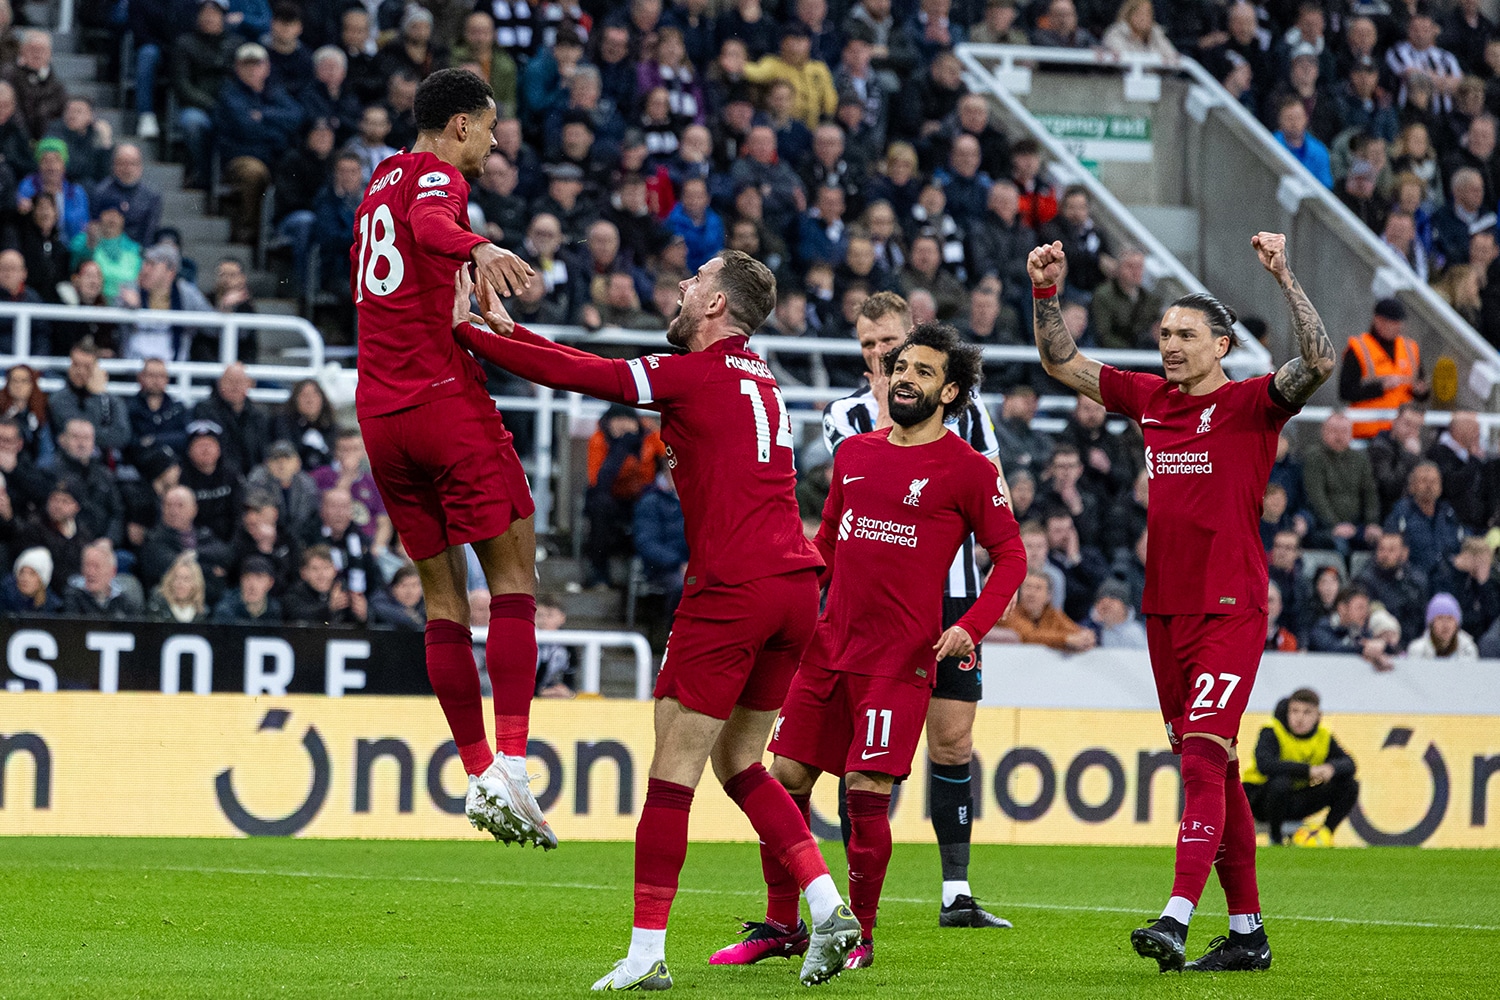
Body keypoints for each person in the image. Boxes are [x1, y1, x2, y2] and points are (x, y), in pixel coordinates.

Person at [451, 249, 859, 989]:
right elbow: (592, 362)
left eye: (695, 280)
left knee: (672, 773)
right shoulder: (756, 374)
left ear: (714, 307)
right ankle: (828, 906)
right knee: (740, 763)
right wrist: (505, 325)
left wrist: (470, 334)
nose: (680, 286)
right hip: (794, 589)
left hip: (731, 588)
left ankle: (646, 954)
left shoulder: (694, 374)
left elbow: (591, 377)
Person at [1031, 230, 1336, 973]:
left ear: (1222, 345)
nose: (1170, 345)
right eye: (1165, 334)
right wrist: (1045, 289)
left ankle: (1175, 914)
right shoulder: (1150, 400)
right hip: (1165, 610)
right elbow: (1061, 361)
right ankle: (1248, 934)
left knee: (1203, 755)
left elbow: (1320, 361)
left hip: (1231, 606)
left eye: (1186, 335)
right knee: (1217, 769)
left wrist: (1285, 276)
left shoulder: (1251, 406)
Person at [714, 323, 1023, 971]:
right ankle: (783, 924)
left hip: (900, 659)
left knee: (865, 788)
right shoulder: (854, 454)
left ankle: (863, 936)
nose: (904, 377)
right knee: (786, 778)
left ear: (951, 391)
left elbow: (1012, 557)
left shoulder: (968, 470)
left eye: (922, 371)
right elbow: (823, 548)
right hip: (827, 649)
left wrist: (972, 624)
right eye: (900, 366)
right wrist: (782, 611)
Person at [350, 69, 549, 848]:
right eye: (491, 129)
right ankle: (514, 764)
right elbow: (433, 229)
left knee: (442, 600)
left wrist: (460, 283)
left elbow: (407, 264)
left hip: (381, 416)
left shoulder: (379, 180)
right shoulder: (435, 178)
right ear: (460, 124)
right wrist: (481, 246)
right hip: (442, 405)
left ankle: (473, 776)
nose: (496, 144)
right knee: (513, 580)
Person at [812, 290, 1013, 930]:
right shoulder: (845, 420)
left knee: (952, 743)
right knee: (856, 760)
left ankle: (956, 890)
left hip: (949, 594)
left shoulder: (968, 419)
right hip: (866, 606)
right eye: (870, 348)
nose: (881, 358)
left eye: (891, 347)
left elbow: (991, 487)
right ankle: (851, 898)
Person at [1241, 689, 1359, 846]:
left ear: (1318, 715)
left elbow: (1349, 764)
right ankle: (1276, 839)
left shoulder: (1323, 736)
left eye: (1307, 712)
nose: (1299, 718)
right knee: (1281, 782)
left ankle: (1324, 834)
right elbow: (1265, 764)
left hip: (1294, 800)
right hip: (1260, 801)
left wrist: (1331, 768)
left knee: (1349, 785)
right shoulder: (1272, 730)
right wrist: (1308, 771)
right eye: (1294, 711)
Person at [1339, 298, 1429, 438]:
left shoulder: (1410, 348)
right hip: (1368, 431)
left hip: (1401, 433)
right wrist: (1380, 387)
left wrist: (1421, 391)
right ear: (1378, 320)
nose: (1398, 327)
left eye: (1399, 322)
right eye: (1392, 322)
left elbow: (1421, 387)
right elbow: (1345, 392)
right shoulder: (1358, 349)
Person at [995, 570, 1095, 650]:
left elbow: (1074, 632)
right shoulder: (1008, 612)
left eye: (1038, 588)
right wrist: (1065, 640)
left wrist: (1085, 637)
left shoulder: (1052, 614)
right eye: (1028, 587)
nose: (1031, 593)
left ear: (1048, 596)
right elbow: (1028, 636)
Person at [211, 552, 282, 623]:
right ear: (241, 580)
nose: (252, 585)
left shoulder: (274, 609)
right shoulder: (225, 609)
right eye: (247, 578)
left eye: (259, 578)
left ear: (270, 583)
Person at [1408, 591, 1479, 659]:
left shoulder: (1468, 649)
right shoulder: (1417, 650)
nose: (1445, 624)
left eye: (1450, 618)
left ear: (1457, 623)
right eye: (1440, 618)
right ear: (1431, 623)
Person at [146, 550, 210, 623]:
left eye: (186, 579)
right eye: (176, 578)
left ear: (196, 583)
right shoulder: (157, 606)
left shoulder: (203, 613)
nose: (180, 583)